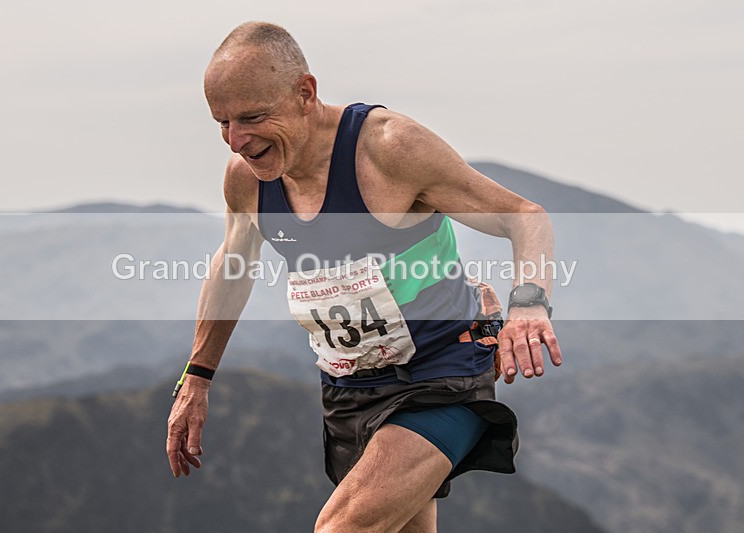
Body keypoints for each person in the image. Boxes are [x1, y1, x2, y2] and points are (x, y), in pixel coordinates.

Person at [167, 21, 562, 533]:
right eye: (221, 122)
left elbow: (524, 216)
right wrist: (196, 377)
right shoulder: (246, 179)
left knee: (342, 529)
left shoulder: (387, 149)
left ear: (305, 93)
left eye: (252, 117)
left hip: (442, 374)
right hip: (349, 388)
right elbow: (233, 263)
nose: (237, 140)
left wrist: (528, 304)